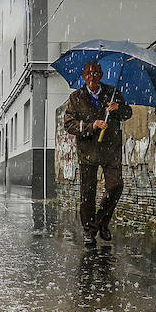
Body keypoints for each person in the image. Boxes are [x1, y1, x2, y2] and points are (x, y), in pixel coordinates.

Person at [63, 60, 133, 245]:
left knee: (115, 186)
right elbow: (69, 124)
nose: (92, 77)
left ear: (101, 75)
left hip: (111, 149)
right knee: (88, 192)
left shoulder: (113, 92)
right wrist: (91, 126)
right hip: (88, 152)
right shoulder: (76, 97)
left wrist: (119, 108)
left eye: (95, 73)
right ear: (84, 76)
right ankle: (89, 230)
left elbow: (128, 114)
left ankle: (101, 222)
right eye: (88, 73)